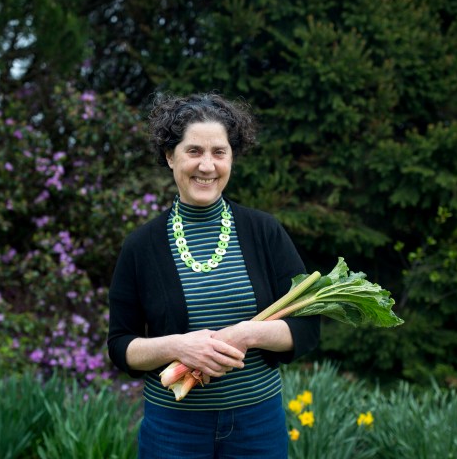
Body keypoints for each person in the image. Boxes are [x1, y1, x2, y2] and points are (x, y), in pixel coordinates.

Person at [107, 93, 320, 458]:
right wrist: (178, 346)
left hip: (257, 425)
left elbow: (306, 328)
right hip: (173, 430)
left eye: (219, 152)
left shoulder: (263, 231)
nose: (207, 165)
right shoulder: (141, 246)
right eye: (194, 151)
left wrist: (247, 333)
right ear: (170, 156)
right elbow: (121, 346)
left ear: (231, 158)